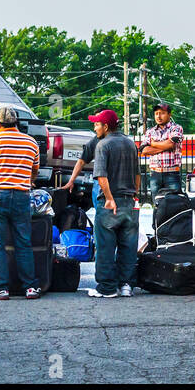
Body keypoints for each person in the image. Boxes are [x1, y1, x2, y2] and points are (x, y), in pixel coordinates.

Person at [0, 105, 42, 300]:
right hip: (22, 196)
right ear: (16, 122)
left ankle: (1, 288)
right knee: (23, 243)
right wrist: (28, 181)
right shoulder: (30, 142)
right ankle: (30, 287)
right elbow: (34, 169)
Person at [85, 109, 141, 298]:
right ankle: (126, 285)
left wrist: (109, 198)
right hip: (129, 201)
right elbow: (137, 174)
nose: (95, 128)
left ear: (106, 126)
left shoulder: (103, 145)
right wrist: (135, 195)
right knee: (128, 246)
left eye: (97, 124)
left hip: (110, 202)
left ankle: (107, 288)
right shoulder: (130, 143)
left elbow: (101, 176)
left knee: (106, 246)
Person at [141, 103, 185, 199]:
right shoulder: (150, 131)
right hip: (155, 174)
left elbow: (171, 144)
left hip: (172, 173)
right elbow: (144, 150)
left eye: (162, 113)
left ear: (169, 114)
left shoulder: (176, 128)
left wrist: (153, 144)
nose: (158, 116)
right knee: (157, 205)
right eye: (156, 113)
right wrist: (165, 146)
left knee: (174, 204)